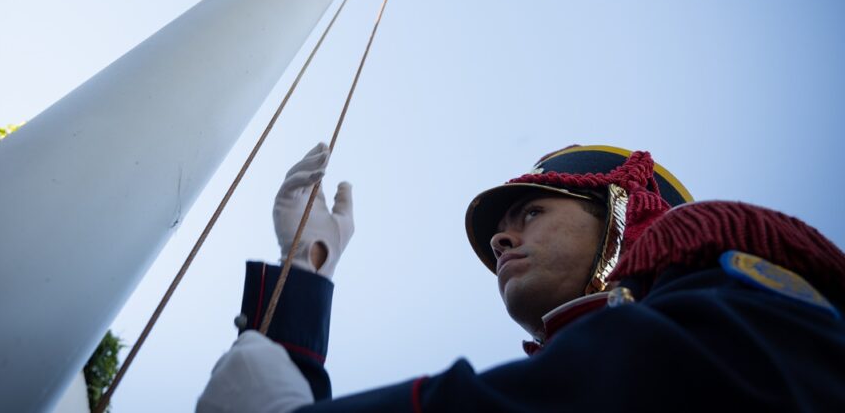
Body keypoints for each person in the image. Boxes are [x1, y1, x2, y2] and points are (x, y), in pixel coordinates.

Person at [197, 143, 845, 412]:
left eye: (532, 212)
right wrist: (307, 271)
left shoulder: (734, 285)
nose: (503, 238)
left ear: (625, 211)